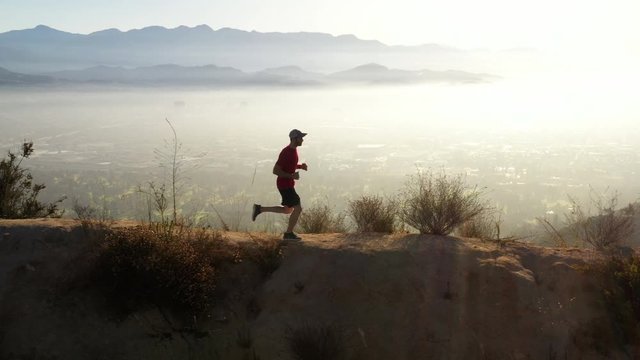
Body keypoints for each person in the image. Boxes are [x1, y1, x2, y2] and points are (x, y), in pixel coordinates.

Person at [252, 129, 308, 240]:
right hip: (285, 185)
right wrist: (291, 176)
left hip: (287, 184)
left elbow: (290, 165)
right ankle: (288, 233)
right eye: (300, 137)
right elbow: (275, 170)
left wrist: (300, 166)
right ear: (294, 139)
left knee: (288, 210)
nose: (302, 139)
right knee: (298, 208)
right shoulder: (286, 152)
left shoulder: (293, 151)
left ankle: (259, 209)